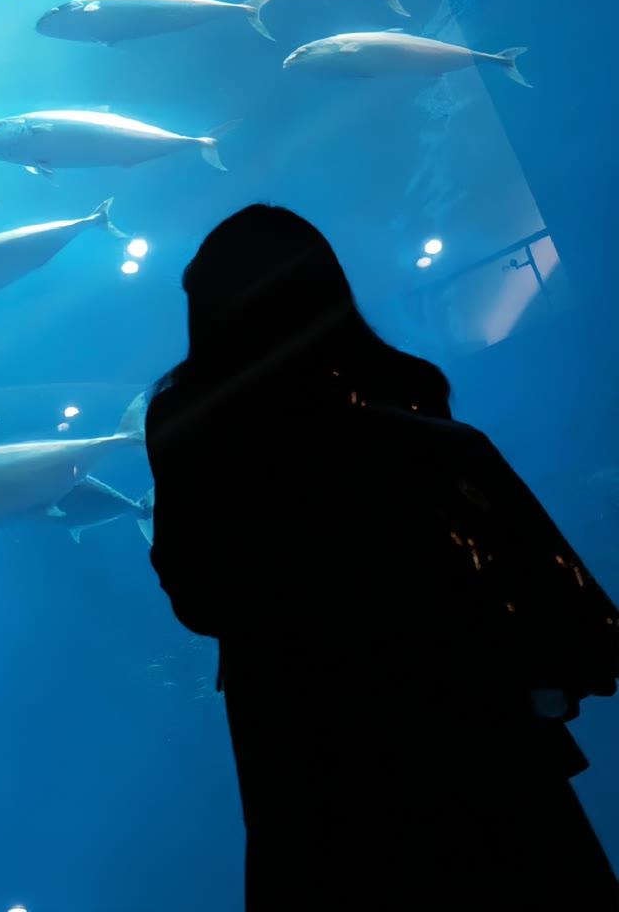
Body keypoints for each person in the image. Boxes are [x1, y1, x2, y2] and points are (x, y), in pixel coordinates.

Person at [145, 205, 619, 910]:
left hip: (300, 728)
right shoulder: (408, 389)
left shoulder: (186, 416)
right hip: (467, 711)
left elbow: (197, 594)